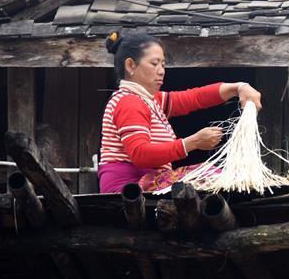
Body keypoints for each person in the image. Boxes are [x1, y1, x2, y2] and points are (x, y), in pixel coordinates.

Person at [98, 31, 261, 193]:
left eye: (163, 65)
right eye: (154, 64)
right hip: (129, 188)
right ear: (130, 65)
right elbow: (140, 154)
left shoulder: (151, 100)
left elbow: (195, 97)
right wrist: (193, 142)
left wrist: (238, 87)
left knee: (213, 175)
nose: (161, 71)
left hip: (149, 181)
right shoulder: (129, 101)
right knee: (209, 175)